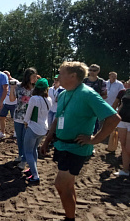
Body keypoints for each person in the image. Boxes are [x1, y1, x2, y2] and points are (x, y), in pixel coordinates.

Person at [40, 61, 120, 221]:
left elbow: (114, 118)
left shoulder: (88, 94)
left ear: (73, 76)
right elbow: (58, 118)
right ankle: (71, 215)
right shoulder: (63, 93)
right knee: (68, 186)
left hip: (76, 147)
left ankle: (70, 218)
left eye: (61, 73)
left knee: (60, 184)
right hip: (61, 145)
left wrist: (95, 139)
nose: (57, 77)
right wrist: (47, 139)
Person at [23, 78, 51, 183]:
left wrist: (26, 123)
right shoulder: (49, 99)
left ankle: (35, 175)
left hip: (33, 128)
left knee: (28, 152)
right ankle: (32, 168)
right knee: (34, 149)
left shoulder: (34, 98)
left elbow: (28, 113)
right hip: (43, 128)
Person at [9, 67, 38, 169]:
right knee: (20, 139)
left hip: (30, 118)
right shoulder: (19, 87)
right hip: (18, 116)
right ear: (28, 76)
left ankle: (25, 160)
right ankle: (21, 155)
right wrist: (12, 88)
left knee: (26, 140)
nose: (35, 79)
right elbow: (12, 99)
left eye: (36, 77)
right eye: (33, 76)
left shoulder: (36, 89)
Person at [112, 80, 130, 176]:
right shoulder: (125, 92)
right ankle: (125, 170)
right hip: (122, 121)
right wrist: (116, 118)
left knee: (128, 147)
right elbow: (121, 105)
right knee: (123, 146)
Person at [83, 64, 107, 134]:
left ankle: (92, 138)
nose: (92, 72)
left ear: (98, 71)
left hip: (95, 106)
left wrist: (95, 99)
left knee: (95, 123)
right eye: (90, 70)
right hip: (84, 104)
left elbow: (105, 95)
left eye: (94, 70)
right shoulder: (84, 81)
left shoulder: (101, 82)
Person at [0, 70, 19, 139]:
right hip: (4, 103)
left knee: (15, 118)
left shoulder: (16, 82)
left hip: (14, 103)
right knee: (2, 117)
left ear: (10, 76)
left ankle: (16, 131)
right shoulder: (1, 81)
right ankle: (2, 132)